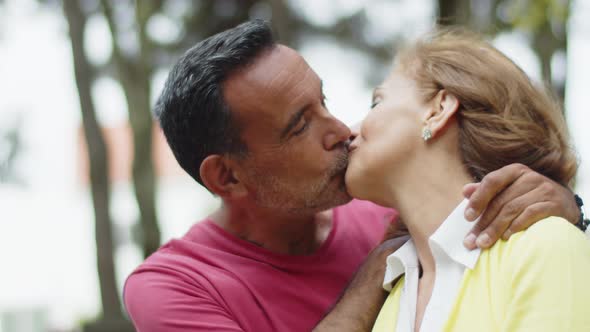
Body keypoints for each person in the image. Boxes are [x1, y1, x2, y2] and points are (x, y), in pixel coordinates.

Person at [123, 21, 582, 332]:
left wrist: (566, 210)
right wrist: (375, 275)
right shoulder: (175, 288)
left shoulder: (397, 211)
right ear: (228, 176)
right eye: (301, 125)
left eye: (324, 101)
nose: (341, 129)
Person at [344, 29, 590, 332]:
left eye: (376, 102)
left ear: (438, 109)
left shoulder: (546, 248)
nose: (349, 131)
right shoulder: (392, 292)